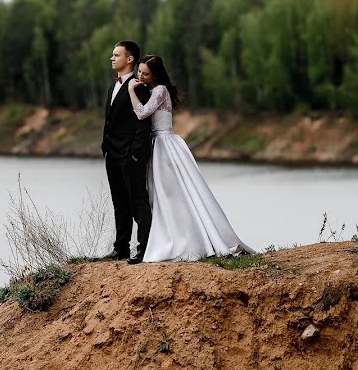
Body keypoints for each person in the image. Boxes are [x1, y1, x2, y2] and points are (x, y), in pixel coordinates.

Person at [127, 55, 254, 262]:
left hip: (163, 145)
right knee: (164, 194)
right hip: (157, 144)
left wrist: (132, 90)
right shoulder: (154, 90)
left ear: (155, 75)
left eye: (145, 73)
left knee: (170, 194)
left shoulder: (159, 90)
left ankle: (183, 239)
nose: (140, 76)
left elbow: (142, 114)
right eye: (139, 71)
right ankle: (173, 235)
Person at [101, 41, 153, 264]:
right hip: (112, 154)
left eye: (116, 55)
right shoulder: (113, 86)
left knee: (138, 201)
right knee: (119, 201)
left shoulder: (138, 86)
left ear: (129, 59)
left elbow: (144, 122)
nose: (112, 58)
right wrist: (105, 147)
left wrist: (135, 153)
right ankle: (121, 247)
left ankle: (144, 248)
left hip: (130, 155)